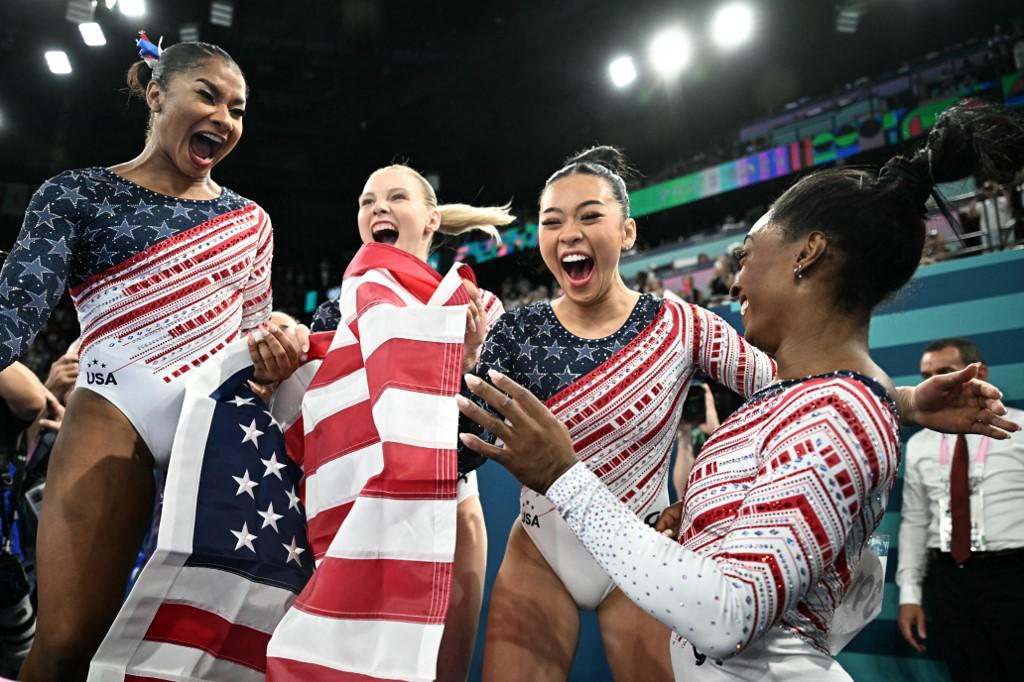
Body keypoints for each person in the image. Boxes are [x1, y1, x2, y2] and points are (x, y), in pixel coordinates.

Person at [459, 101, 1023, 681]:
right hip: (552, 550)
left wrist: (899, 401)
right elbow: (456, 450)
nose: (568, 233)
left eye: (588, 216)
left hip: (651, 561)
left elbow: (804, 391)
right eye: (551, 221)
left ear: (627, 232)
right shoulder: (516, 330)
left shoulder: (685, 324)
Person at [3, 36, 304, 682]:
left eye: (240, 109)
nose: (226, 119)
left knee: (205, 660)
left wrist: (276, 353)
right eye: (208, 95)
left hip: (222, 437)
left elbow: (255, 342)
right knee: (66, 644)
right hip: (117, 412)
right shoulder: (77, 196)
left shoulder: (251, 222)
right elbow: (16, 307)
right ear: (157, 92)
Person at [308, 163, 513, 682]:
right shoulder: (334, 316)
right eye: (366, 200)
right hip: (355, 513)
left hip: (449, 513)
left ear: (430, 220)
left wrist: (464, 367)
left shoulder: (476, 307)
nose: (378, 207)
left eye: (396, 197)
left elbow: (478, 442)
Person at [896, 338, 1024, 681]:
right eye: (926, 375)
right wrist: (909, 594)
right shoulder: (920, 444)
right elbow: (914, 520)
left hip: (1013, 575)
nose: (933, 383)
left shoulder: (1022, 429)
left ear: (977, 374)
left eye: (945, 372)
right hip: (949, 578)